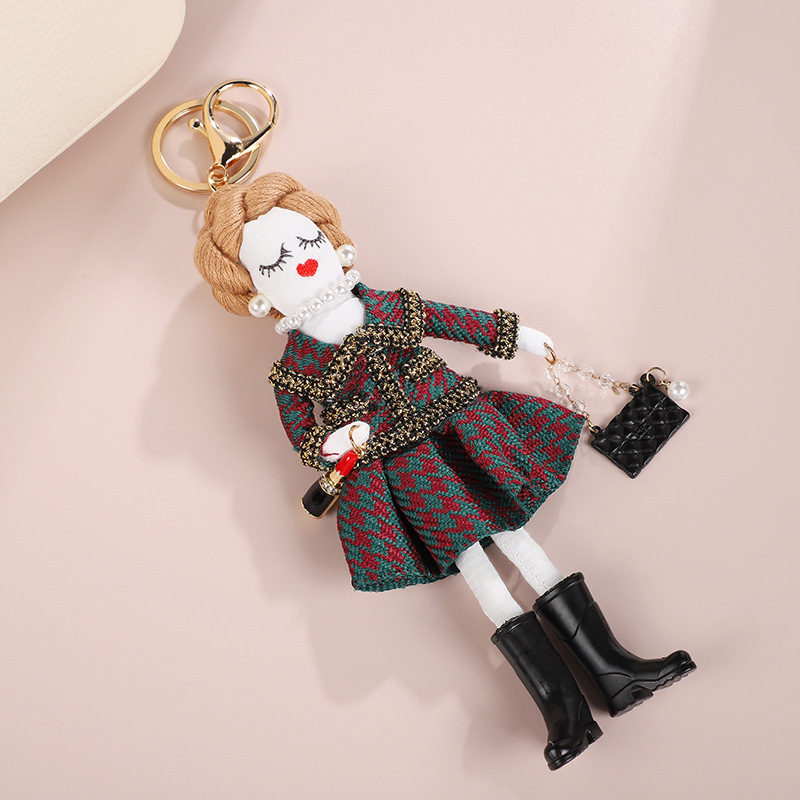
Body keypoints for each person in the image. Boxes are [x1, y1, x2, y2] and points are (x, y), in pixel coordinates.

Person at [194, 172, 695, 770]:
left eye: (308, 244)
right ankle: (566, 709)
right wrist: (333, 443)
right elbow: (303, 433)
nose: (302, 263)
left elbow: (450, 320)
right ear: (255, 290)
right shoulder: (295, 367)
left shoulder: (389, 306)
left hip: (462, 431)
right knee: (476, 565)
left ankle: (615, 671)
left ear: (331, 242)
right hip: (404, 470)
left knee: (518, 538)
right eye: (277, 264)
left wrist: (515, 335)